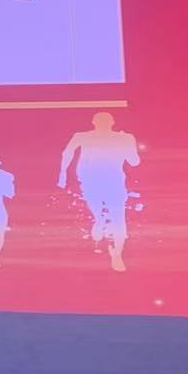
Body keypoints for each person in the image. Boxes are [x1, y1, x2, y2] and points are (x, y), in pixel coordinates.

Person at [57, 112, 139, 272]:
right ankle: (100, 222)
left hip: (109, 181)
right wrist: (62, 174)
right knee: (111, 214)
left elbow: (134, 161)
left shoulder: (123, 138)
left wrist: (63, 174)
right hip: (93, 180)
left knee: (117, 216)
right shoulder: (83, 136)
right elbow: (67, 152)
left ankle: (117, 254)